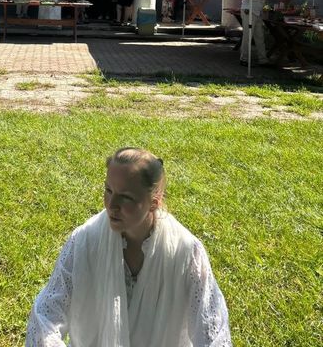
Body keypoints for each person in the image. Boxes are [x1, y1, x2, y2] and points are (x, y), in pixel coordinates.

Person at [26, 147, 231, 347]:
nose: (111, 205)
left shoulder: (186, 251)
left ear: (154, 202)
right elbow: (46, 314)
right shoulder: (85, 240)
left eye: (126, 197)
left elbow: (212, 330)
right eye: (108, 190)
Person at [240, 0, 270, 66]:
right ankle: (244, 59)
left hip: (257, 11)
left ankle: (263, 60)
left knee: (260, 36)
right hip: (249, 10)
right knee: (248, 36)